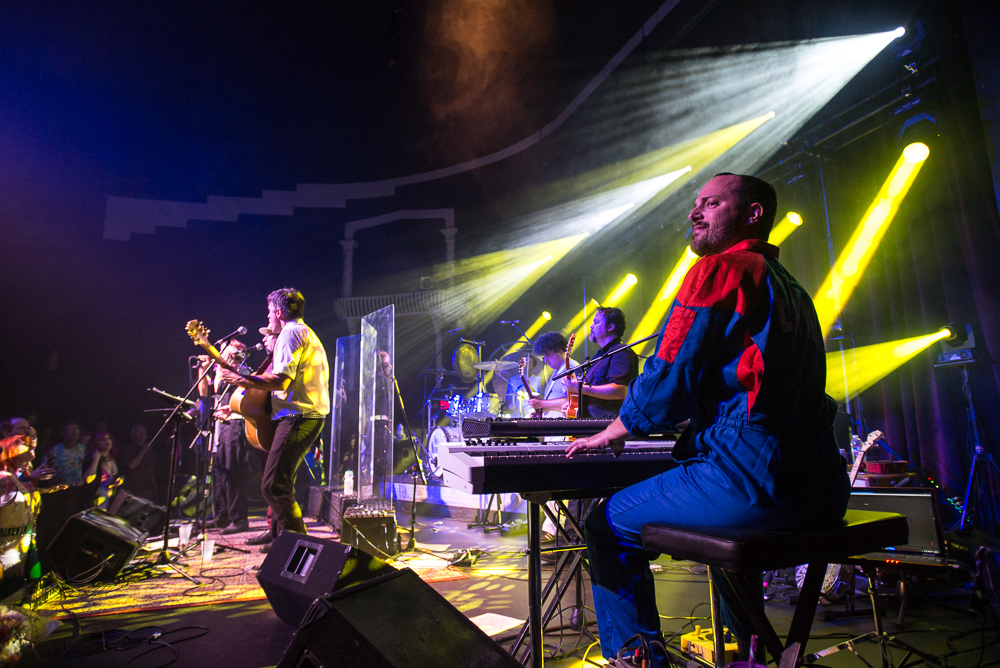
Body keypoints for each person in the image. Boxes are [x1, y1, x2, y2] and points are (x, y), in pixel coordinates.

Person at [567, 173, 850, 665]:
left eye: (711, 203)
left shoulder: (722, 269)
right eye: (695, 205)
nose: (694, 213)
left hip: (755, 478)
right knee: (726, 547)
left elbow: (673, 370)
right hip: (822, 485)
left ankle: (640, 660)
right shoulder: (792, 286)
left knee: (603, 526)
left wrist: (619, 427)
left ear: (753, 213)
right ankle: (755, 656)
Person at [219, 288, 330, 553]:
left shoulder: (291, 333)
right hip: (302, 416)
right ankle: (288, 543)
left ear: (279, 312)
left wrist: (241, 379)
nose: (268, 317)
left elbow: (281, 379)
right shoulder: (303, 332)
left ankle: (301, 551)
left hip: (299, 416)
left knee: (273, 485)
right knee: (278, 484)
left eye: (269, 312)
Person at [199, 340, 251, 535]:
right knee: (220, 471)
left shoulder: (244, 372)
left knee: (234, 470)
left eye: (237, 351)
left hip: (237, 423)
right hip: (222, 425)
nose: (232, 353)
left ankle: (239, 518)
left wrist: (218, 359)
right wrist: (204, 369)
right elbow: (205, 393)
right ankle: (222, 515)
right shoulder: (220, 370)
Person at [562, 307, 638, 419]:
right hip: (593, 425)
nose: (591, 326)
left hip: (608, 426)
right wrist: (576, 405)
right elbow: (593, 394)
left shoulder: (621, 352)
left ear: (611, 327)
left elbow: (620, 391)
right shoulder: (599, 356)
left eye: (596, 322)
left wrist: (579, 388)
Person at [81, 431, 121, 509]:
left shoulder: (115, 458)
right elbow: (87, 479)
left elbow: (120, 475)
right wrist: (95, 460)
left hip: (109, 500)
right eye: (102, 439)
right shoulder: (91, 458)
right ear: (97, 443)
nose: (107, 441)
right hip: (94, 500)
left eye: (108, 438)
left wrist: (120, 479)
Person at [119, 425, 158, 503]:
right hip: (133, 490)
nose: (143, 434)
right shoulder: (128, 449)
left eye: (144, 432)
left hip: (147, 490)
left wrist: (154, 489)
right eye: (139, 432)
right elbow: (131, 465)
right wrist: (142, 451)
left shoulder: (150, 451)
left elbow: (151, 470)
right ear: (133, 435)